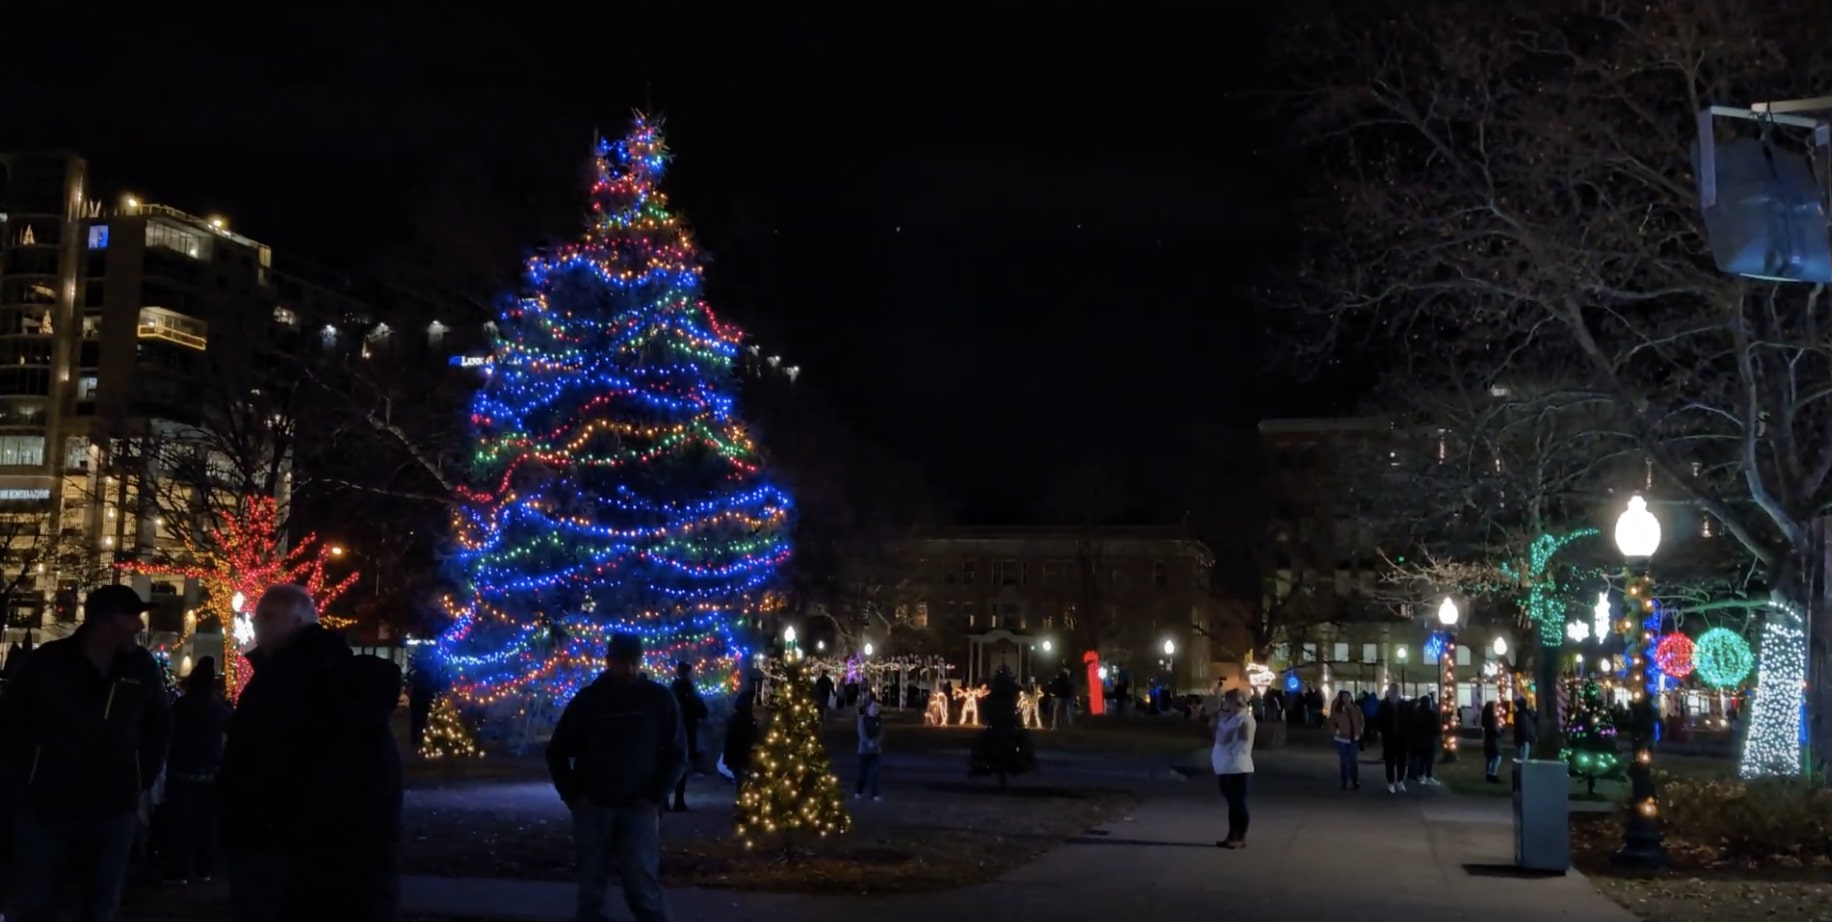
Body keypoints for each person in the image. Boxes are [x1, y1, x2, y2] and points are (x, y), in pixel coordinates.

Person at [219, 583, 404, 922]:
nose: (258, 623)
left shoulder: (293, 681)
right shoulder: (307, 674)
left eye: (269, 616)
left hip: (279, 844)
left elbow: (269, 763)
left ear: (299, 621)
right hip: (298, 845)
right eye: (259, 616)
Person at [0, 585, 171, 922]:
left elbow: (160, 726)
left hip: (112, 806)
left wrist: (140, 780)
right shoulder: (50, 662)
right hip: (49, 805)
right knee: (38, 902)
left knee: (101, 905)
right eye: (132, 617)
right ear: (107, 622)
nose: (139, 626)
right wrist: (21, 784)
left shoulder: (140, 667)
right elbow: (12, 725)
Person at [546, 632, 687, 922]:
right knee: (591, 889)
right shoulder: (590, 701)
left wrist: (655, 797)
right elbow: (557, 750)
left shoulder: (658, 699)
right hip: (594, 806)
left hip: (638, 806)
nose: (629, 669)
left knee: (641, 885)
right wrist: (575, 796)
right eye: (623, 662)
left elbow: (677, 753)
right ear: (610, 661)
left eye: (633, 662)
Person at [165, 656, 231, 883]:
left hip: (182, 769)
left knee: (180, 824)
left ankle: (178, 870)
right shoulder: (219, 708)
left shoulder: (181, 706)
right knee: (206, 824)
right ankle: (203, 868)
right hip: (210, 771)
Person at [1211, 688, 1256, 849]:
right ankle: (1232, 834)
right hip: (1224, 767)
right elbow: (1217, 734)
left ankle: (1240, 835)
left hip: (1238, 767)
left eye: (1228, 700)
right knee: (1232, 803)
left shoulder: (1245, 720)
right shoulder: (1228, 719)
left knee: (1238, 803)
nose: (1226, 703)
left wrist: (1226, 734)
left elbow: (1241, 740)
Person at [668, 662, 709, 812]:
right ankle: (678, 800)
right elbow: (702, 711)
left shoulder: (672, 690)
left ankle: (668, 800)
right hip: (686, 731)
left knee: (672, 765)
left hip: (674, 731)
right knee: (681, 765)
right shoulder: (687, 690)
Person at [721, 689, 759, 792]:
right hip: (741, 755)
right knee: (742, 778)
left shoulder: (735, 720)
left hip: (737, 756)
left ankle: (741, 797)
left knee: (740, 779)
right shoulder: (746, 721)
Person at [1328, 690, 1364, 791]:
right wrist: (1336, 731)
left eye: (1348, 697)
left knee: (1353, 760)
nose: (1347, 699)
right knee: (1344, 760)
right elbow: (1332, 721)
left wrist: (1360, 729)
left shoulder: (1355, 708)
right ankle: (1344, 781)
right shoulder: (1338, 709)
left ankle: (1354, 780)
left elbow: (1361, 719)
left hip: (1354, 738)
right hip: (1342, 738)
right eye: (1345, 697)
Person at [1377, 684, 1408, 793]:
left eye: (1396, 691)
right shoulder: (1384, 705)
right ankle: (1390, 782)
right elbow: (1379, 719)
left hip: (1402, 737)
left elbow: (1410, 721)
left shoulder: (1404, 705)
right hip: (1389, 737)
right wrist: (1381, 731)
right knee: (1389, 760)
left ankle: (1400, 781)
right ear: (1389, 692)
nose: (1394, 693)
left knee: (1402, 760)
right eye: (1392, 691)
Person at [855, 697, 884, 800]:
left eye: (877, 708)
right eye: (874, 707)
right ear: (868, 708)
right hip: (863, 751)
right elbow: (862, 734)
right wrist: (868, 742)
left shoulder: (879, 720)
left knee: (874, 773)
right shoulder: (862, 719)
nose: (876, 709)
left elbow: (881, 734)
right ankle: (859, 791)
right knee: (862, 773)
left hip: (875, 751)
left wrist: (875, 743)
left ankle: (875, 794)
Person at [1410, 693, 1441, 786]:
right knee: (1429, 760)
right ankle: (1428, 776)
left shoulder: (1416, 713)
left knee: (1421, 759)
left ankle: (1420, 775)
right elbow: (1436, 729)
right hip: (1429, 741)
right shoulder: (1431, 714)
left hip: (1418, 741)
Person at [1481, 701, 1503, 783]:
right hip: (1493, 741)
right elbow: (1494, 730)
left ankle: (1488, 773)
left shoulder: (1486, 717)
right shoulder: (1492, 718)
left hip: (1488, 740)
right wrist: (1500, 733)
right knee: (1497, 758)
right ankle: (1493, 774)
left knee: (1489, 758)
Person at [1513, 696, 1538, 762]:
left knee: (1522, 753)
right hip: (1526, 736)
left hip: (1522, 737)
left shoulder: (1519, 714)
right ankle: (1523, 765)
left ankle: (1521, 766)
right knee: (1525, 753)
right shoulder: (1528, 713)